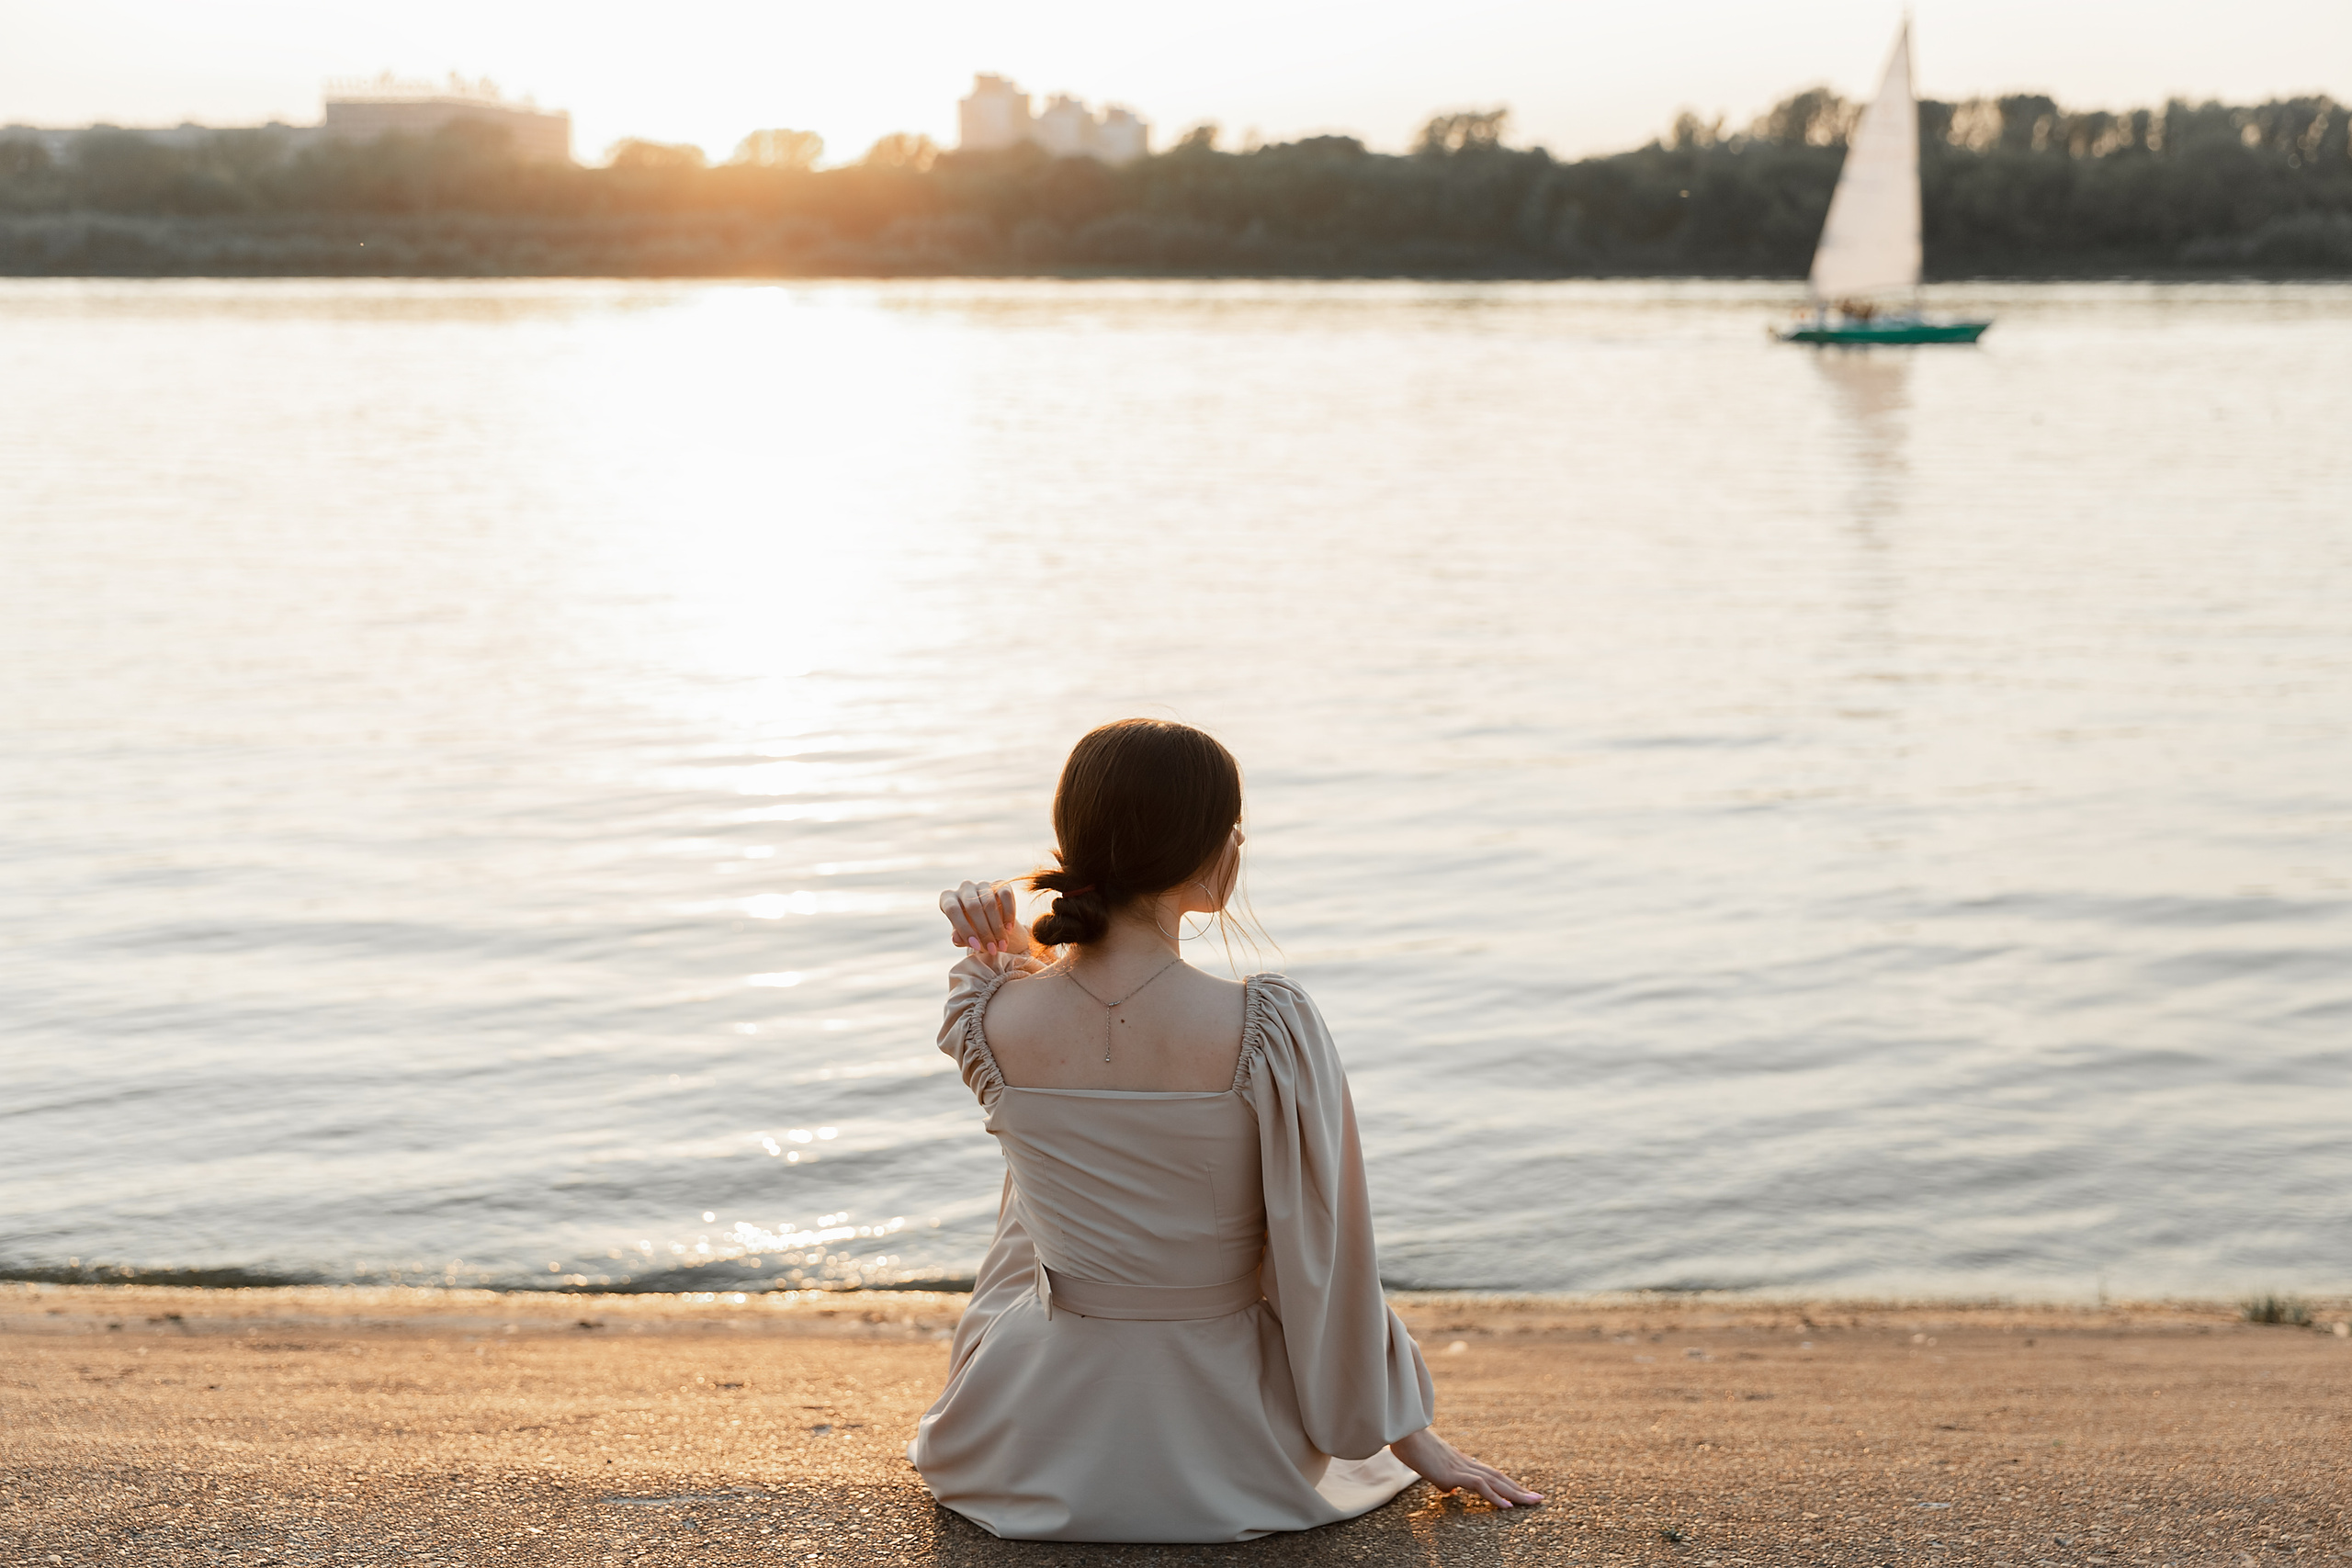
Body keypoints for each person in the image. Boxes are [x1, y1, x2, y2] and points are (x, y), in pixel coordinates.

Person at [908, 717, 1542, 1542]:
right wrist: (1405, 1431)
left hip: (1029, 1431)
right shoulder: (1265, 1029)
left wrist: (1005, 944)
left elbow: (1041, 1192)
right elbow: (1321, 1247)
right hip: (1229, 1436)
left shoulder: (986, 1014)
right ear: (1217, 851)